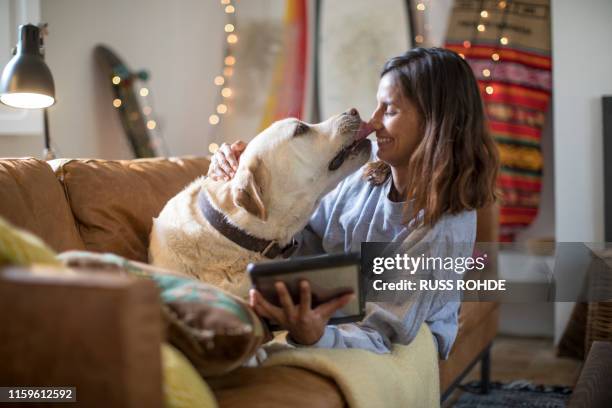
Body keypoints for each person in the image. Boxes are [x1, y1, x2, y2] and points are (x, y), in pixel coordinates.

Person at [208, 47, 499, 358]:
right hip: (339, 303)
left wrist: (315, 336)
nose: (373, 122)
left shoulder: (443, 229)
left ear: (435, 123)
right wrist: (235, 171)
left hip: (399, 326)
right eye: (378, 106)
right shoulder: (362, 168)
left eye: (390, 110)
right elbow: (304, 233)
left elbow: (381, 330)